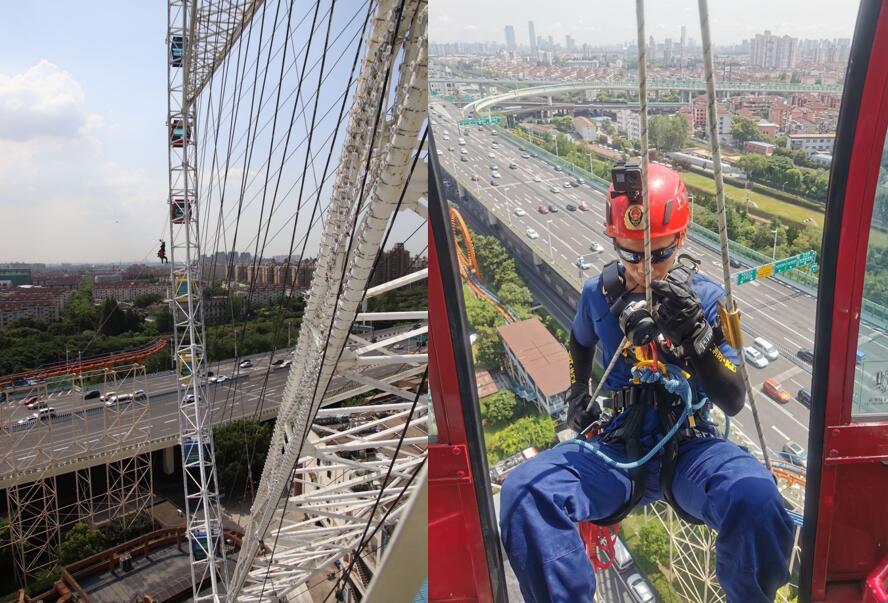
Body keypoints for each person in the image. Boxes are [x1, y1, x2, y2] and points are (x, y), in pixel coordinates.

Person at [499, 163, 794, 603]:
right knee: (525, 492)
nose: (644, 270)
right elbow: (579, 343)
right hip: (618, 446)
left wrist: (698, 338)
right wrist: (579, 393)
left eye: (657, 254)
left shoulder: (707, 300)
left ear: (681, 239)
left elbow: (732, 397)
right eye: (631, 254)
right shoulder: (598, 294)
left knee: (756, 497)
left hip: (689, 447)